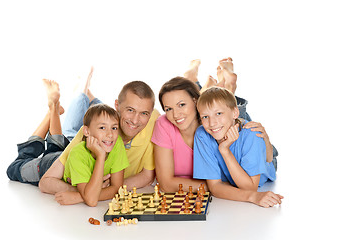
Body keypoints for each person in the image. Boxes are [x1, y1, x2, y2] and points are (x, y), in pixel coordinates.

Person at [152, 58, 277, 192]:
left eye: (181, 105)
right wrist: (216, 187)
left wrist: (266, 141)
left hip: (256, 158)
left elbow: (267, 157)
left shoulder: (215, 121)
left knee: (225, 107)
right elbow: (167, 183)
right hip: (232, 169)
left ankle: (228, 87)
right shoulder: (199, 128)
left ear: (195, 102)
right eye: (168, 109)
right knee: (213, 104)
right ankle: (203, 81)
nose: (176, 115)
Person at [39, 68, 160, 204]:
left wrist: (93, 192)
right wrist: (87, 192)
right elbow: (45, 182)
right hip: (63, 158)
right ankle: (78, 92)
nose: (136, 120)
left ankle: (86, 93)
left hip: (91, 154)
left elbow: (147, 177)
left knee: (94, 117)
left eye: (144, 113)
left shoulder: (154, 120)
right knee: (67, 134)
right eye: (130, 110)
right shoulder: (82, 143)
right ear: (116, 106)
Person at [193, 87, 283, 208]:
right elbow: (214, 187)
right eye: (205, 117)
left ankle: (265, 141)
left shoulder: (252, 134)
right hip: (238, 159)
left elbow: (250, 188)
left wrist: (225, 151)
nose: (212, 123)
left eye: (218, 113)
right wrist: (224, 148)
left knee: (266, 150)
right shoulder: (202, 134)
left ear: (235, 112)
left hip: (265, 164)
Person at [62, 103, 129, 206]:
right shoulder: (77, 154)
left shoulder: (116, 143)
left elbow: (117, 189)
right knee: (35, 149)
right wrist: (101, 156)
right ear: (86, 131)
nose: (110, 134)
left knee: (62, 137)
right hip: (44, 164)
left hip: (72, 146)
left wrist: (80, 197)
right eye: (102, 128)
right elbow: (91, 201)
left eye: (114, 128)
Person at [6, 79, 69, 185]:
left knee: (56, 148)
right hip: (55, 165)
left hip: (59, 160)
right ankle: (53, 108)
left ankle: (53, 110)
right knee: (16, 166)